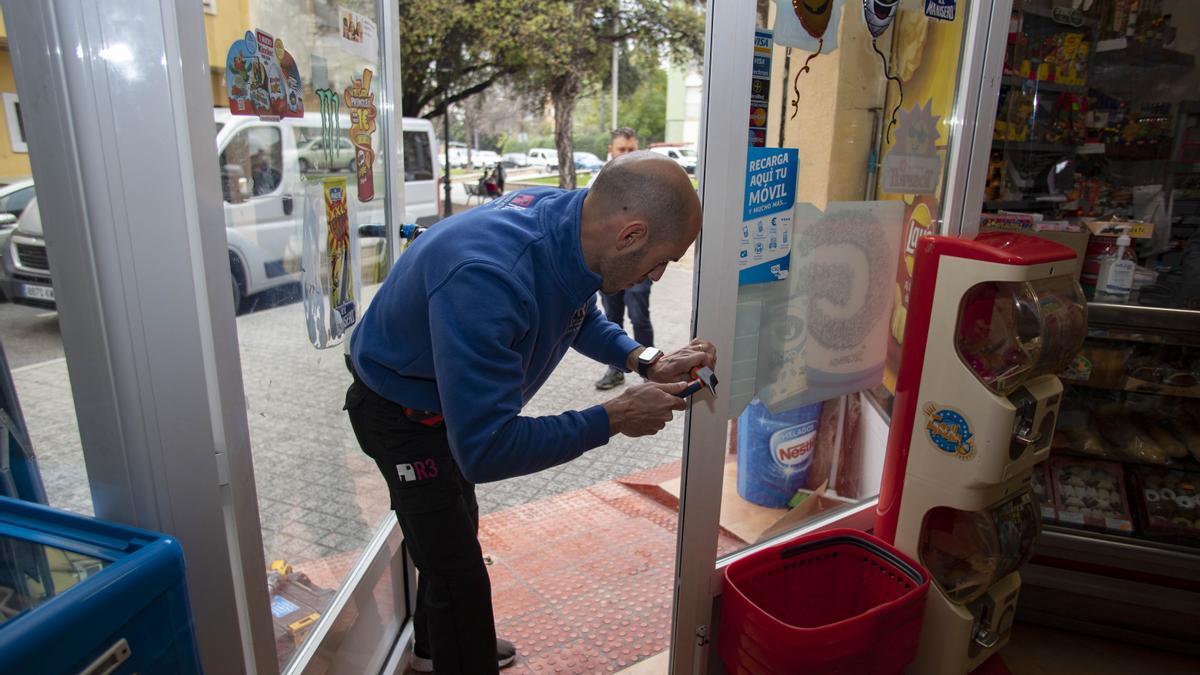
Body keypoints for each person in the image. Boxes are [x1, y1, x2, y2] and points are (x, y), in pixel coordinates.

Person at [345, 150, 712, 674]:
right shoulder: (487, 277)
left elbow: (575, 312)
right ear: (629, 234)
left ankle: (432, 645)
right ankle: (459, 653)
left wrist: (643, 358)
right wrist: (614, 417)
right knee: (458, 573)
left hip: (445, 405)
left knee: (453, 529)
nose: (655, 277)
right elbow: (487, 449)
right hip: (397, 413)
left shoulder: (568, 221)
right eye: (661, 260)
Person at [589, 127, 654, 390]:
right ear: (610, 150)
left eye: (631, 149)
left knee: (639, 317)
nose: (626, 154)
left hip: (639, 264)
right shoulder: (597, 182)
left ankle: (650, 372)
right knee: (611, 318)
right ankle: (616, 370)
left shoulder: (650, 182)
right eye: (621, 149)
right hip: (608, 267)